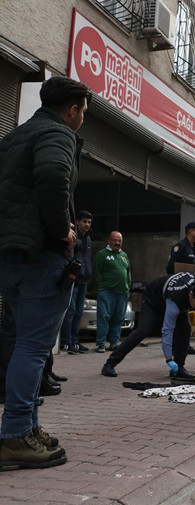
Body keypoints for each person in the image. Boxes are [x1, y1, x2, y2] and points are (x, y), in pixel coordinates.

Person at [0, 76, 91, 470]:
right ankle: (15, 435)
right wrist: (61, 231)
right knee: (34, 348)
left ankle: (27, 427)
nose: (82, 118)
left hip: (11, 256)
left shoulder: (15, 137)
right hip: (41, 257)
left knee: (23, 344)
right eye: (83, 112)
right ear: (72, 110)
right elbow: (54, 176)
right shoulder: (58, 134)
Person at [101, 273, 195, 379]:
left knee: (185, 329)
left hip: (172, 296)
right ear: (191, 294)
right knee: (143, 330)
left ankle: (179, 368)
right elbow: (167, 330)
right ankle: (109, 364)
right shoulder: (175, 299)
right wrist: (169, 359)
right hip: (152, 299)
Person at [60, 210, 93, 354]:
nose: (87, 224)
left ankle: (75, 341)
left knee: (79, 312)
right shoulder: (73, 235)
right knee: (70, 311)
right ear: (78, 222)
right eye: (84, 221)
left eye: (89, 222)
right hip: (73, 277)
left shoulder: (88, 239)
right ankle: (66, 342)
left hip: (83, 279)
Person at [92, 231, 131, 353]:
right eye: (115, 240)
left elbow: (128, 272)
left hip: (122, 292)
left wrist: (128, 285)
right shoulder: (102, 254)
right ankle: (101, 344)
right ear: (109, 241)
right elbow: (96, 272)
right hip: (107, 291)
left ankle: (114, 342)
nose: (117, 243)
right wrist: (100, 287)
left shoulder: (124, 255)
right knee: (103, 317)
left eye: (119, 241)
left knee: (118, 318)